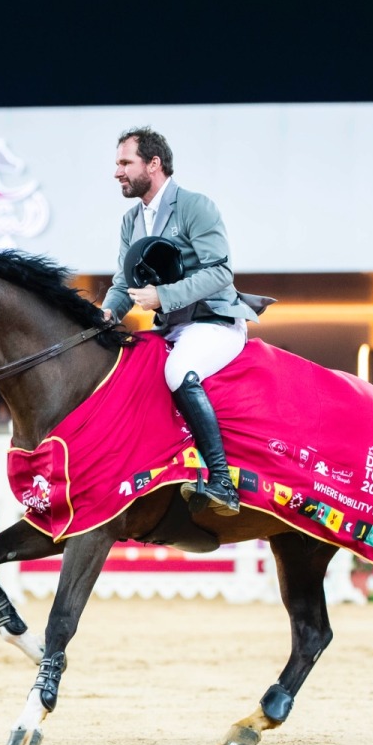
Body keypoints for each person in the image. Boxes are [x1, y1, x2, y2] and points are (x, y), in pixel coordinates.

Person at [101, 127, 274, 515]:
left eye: (125, 163)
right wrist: (105, 314)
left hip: (215, 322)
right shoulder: (131, 221)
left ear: (154, 164)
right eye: (117, 164)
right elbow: (123, 281)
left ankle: (223, 483)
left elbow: (220, 272)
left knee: (178, 370)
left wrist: (162, 296)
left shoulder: (196, 206)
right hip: (170, 328)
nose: (117, 172)